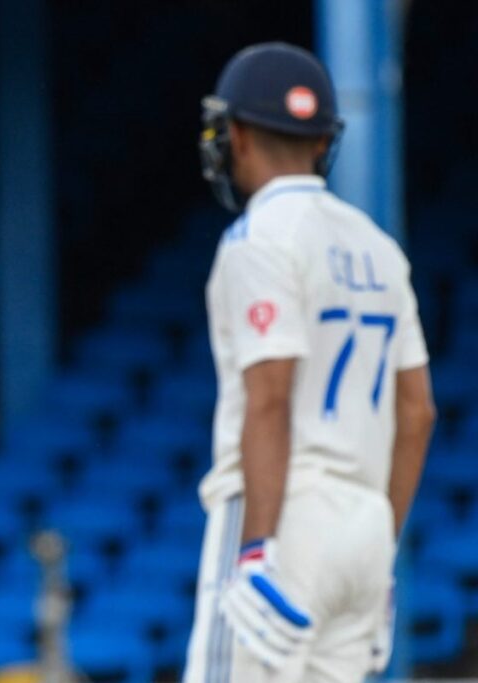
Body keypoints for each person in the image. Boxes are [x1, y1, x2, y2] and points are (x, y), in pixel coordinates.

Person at [184, 42, 436, 682]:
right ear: (323, 142)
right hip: (366, 526)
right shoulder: (379, 248)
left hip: (286, 515)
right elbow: (418, 411)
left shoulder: (257, 240)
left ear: (235, 135)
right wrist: (380, 552)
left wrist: (258, 550)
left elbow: (270, 399)